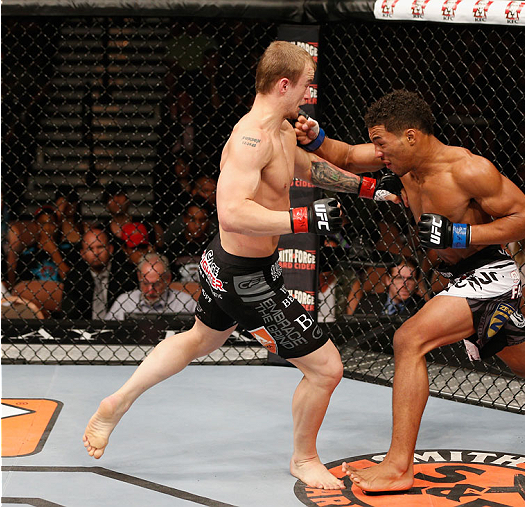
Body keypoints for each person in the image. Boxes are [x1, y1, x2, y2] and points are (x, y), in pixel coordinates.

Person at [83, 41, 401, 490]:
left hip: (238, 263)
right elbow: (232, 213)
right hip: (244, 276)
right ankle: (304, 458)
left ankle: (117, 402)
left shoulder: (282, 131)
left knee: (200, 339)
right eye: (306, 86)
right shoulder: (250, 138)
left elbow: (308, 169)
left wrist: (370, 189)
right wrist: (303, 219)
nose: (309, 95)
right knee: (326, 368)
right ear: (284, 84)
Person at [295, 89, 525, 492]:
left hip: (492, 272)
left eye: (382, 143)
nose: (378, 154)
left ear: (412, 136)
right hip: (460, 279)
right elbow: (345, 155)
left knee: (408, 339)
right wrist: (314, 138)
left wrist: (460, 231)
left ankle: (399, 466)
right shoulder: (402, 161)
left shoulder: (469, 170)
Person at [61, 226, 137, 320]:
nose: (96, 252)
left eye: (100, 247)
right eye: (90, 249)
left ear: (110, 249)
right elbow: (70, 315)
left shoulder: (127, 276)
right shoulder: (74, 278)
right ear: (82, 253)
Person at [104, 252, 196, 320]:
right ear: (139, 277)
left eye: (157, 284)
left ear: (168, 279)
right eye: (145, 283)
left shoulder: (186, 303)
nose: (150, 290)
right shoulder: (124, 302)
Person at [163, 197, 215, 283]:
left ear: (208, 221)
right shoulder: (173, 247)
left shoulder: (215, 247)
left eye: (202, 220)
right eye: (192, 220)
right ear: (185, 219)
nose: (197, 225)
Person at [353, 257, 425, 316]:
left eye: (410, 279)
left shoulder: (423, 308)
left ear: (416, 282)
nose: (405, 284)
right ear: (388, 280)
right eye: (399, 278)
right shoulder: (368, 302)